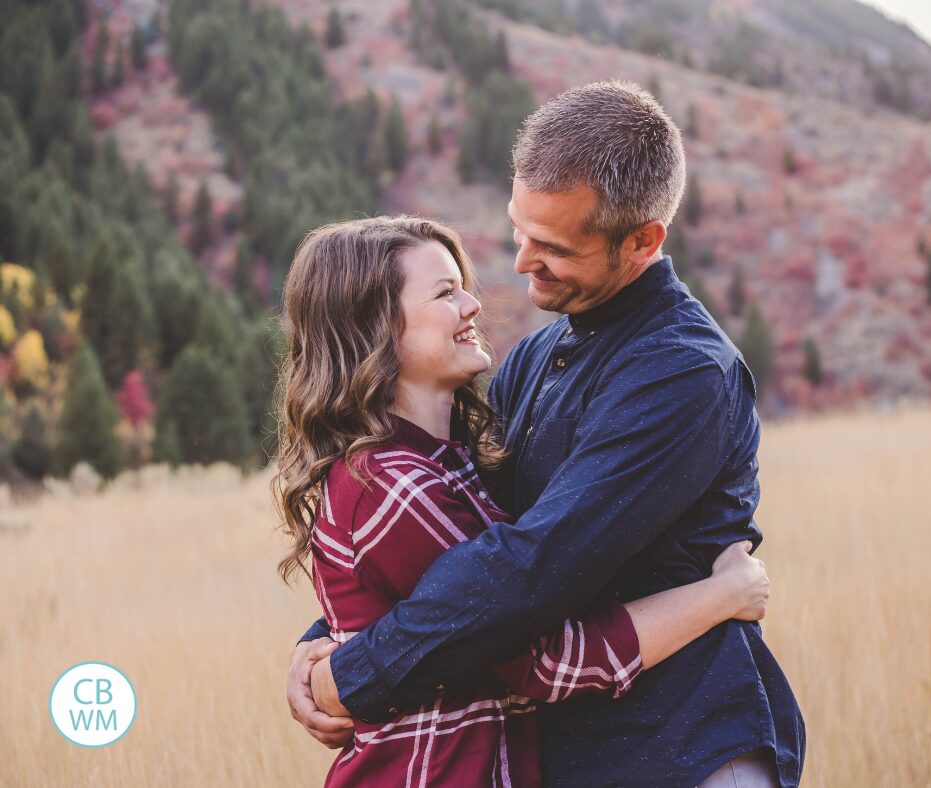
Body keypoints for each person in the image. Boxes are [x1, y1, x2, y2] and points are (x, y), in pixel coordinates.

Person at [288, 81, 805, 787]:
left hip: (680, 747)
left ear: (642, 242)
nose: (521, 261)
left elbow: (527, 572)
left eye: (554, 245)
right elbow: (447, 546)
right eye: (519, 229)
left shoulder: (682, 374)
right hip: (566, 754)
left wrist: (351, 676)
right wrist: (327, 637)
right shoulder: (537, 356)